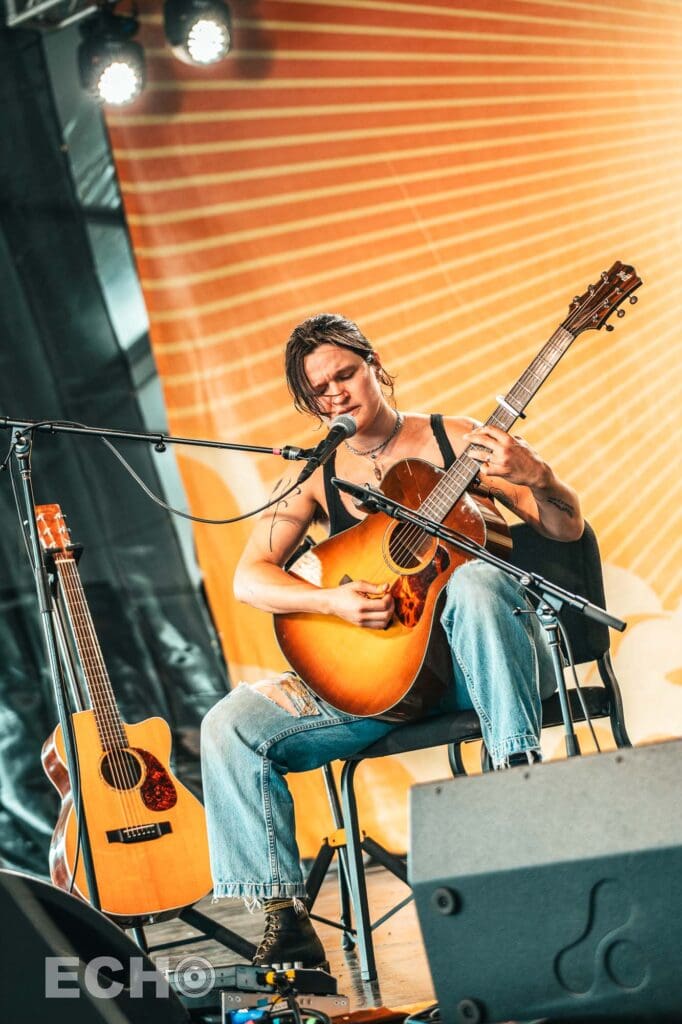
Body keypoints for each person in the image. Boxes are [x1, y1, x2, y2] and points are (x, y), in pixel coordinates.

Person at [201, 313, 583, 971]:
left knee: (478, 584)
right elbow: (249, 579)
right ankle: (284, 918)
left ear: (374, 364)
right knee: (229, 725)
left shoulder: (454, 440)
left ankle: (517, 793)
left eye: (344, 375)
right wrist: (329, 600)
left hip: (482, 666)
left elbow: (567, 529)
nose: (335, 396)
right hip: (386, 683)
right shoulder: (318, 474)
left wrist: (540, 476)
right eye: (318, 391)